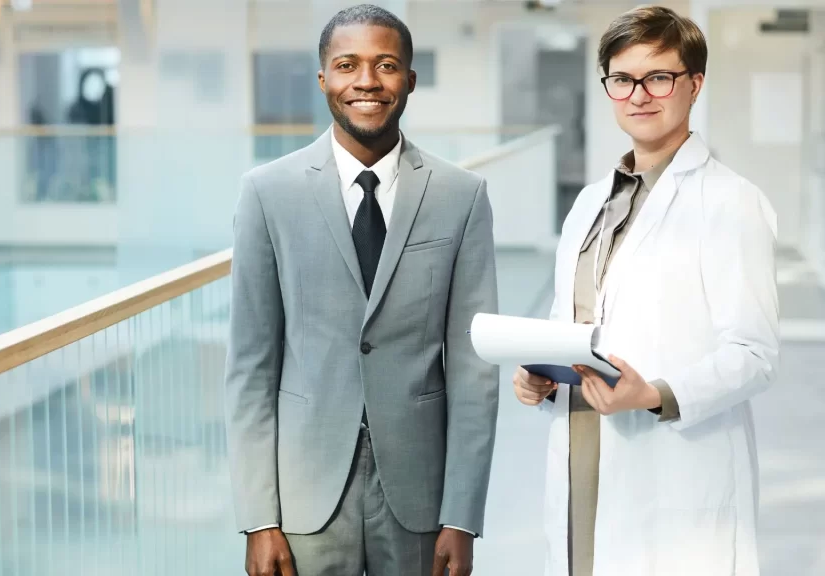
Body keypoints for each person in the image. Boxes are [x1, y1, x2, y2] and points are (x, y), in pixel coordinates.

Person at [224, 5, 499, 576]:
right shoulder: (267, 193)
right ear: (324, 77)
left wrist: (462, 515)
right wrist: (258, 518)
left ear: (410, 81)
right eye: (347, 65)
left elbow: (474, 370)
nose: (367, 81)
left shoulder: (461, 195)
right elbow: (251, 367)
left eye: (386, 65)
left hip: (421, 493)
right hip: (304, 497)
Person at [512, 6, 779, 575]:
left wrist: (653, 393)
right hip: (585, 450)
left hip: (673, 465)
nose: (639, 94)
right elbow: (573, 325)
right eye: (622, 79)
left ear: (694, 84)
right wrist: (541, 373)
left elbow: (754, 355)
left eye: (659, 77)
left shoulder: (731, 202)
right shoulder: (589, 203)